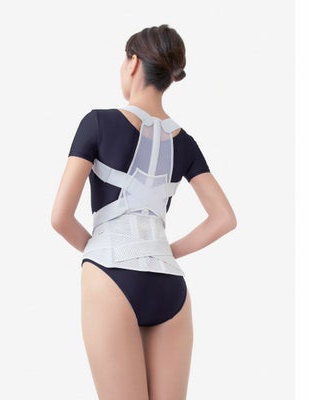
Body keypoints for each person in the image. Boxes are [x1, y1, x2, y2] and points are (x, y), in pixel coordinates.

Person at [51, 24, 237, 400]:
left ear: (133, 63)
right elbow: (224, 218)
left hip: (111, 276)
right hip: (169, 286)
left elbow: (60, 218)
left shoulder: (97, 123)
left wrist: (102, 251)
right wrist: (167, 251)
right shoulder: (185, 142)